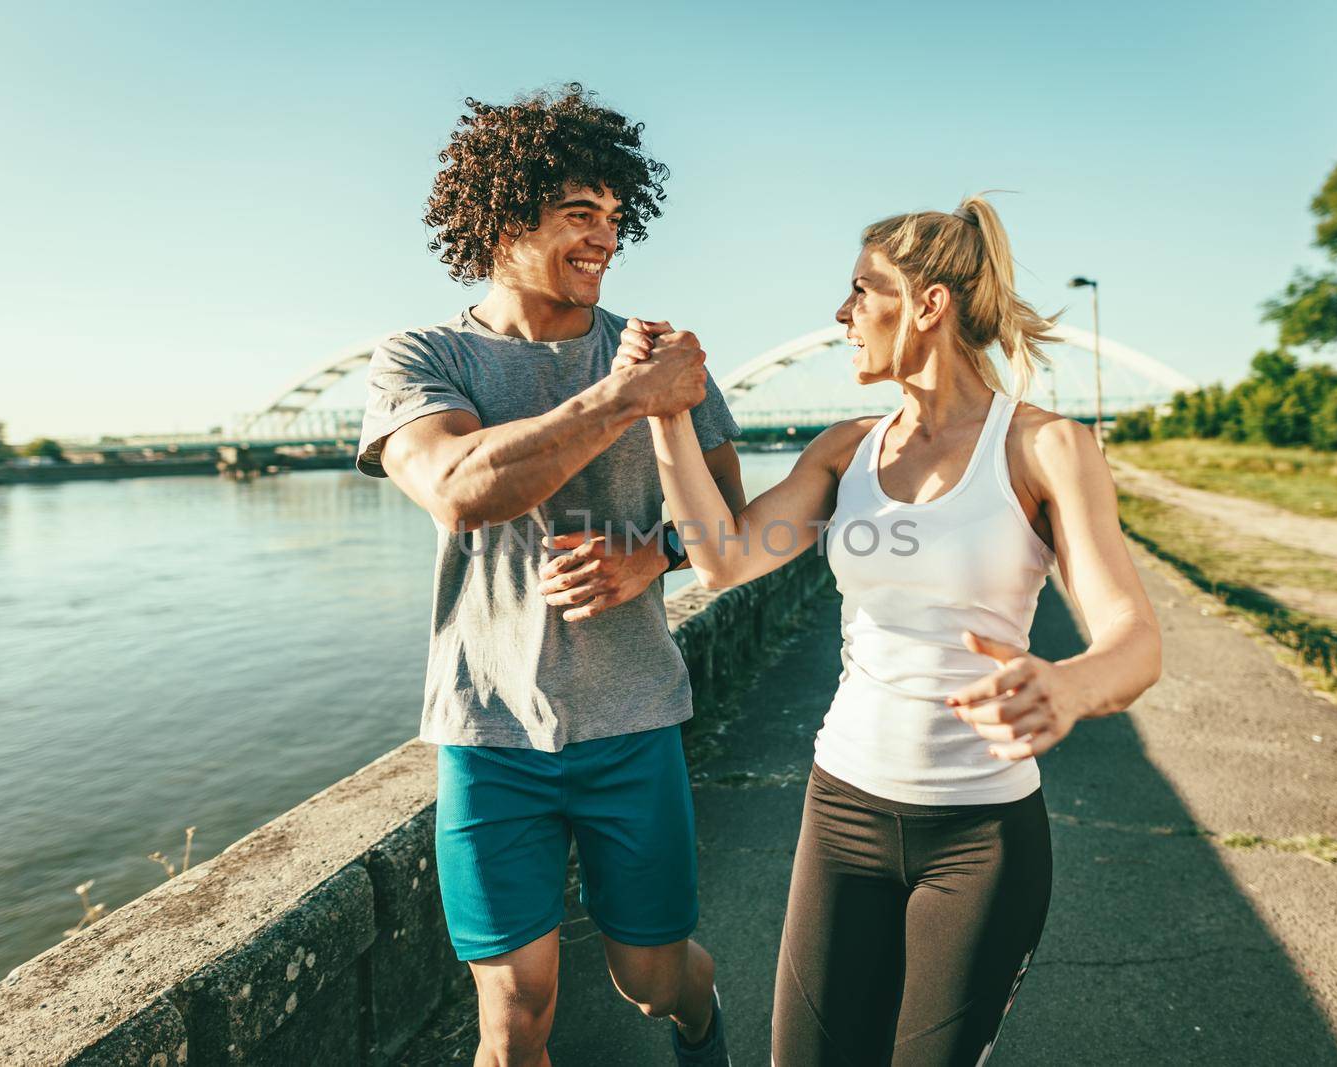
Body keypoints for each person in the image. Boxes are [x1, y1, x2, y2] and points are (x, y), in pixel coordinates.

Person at [616, 196, 1163, 1065]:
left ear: (929, 304)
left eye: (861, 290)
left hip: (981, 838)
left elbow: (1133, 636)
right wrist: (664, 412)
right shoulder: (846, 450)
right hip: (842, 809)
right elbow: (721, 558)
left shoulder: (1045, 447)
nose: (842, 314)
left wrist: (1069, 684)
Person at [356, 86, 743, 1067]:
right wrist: (622, 397)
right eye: (582, 213)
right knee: (515, 1009)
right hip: (486, 734)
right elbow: (456, 486)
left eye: (616, 219)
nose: (604, 239)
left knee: (651, 979)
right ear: (503, 212)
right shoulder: (423, 357)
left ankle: (704, 1028)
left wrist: (655, 554)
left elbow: (728, 524)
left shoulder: (659, 356)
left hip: (632, 722)